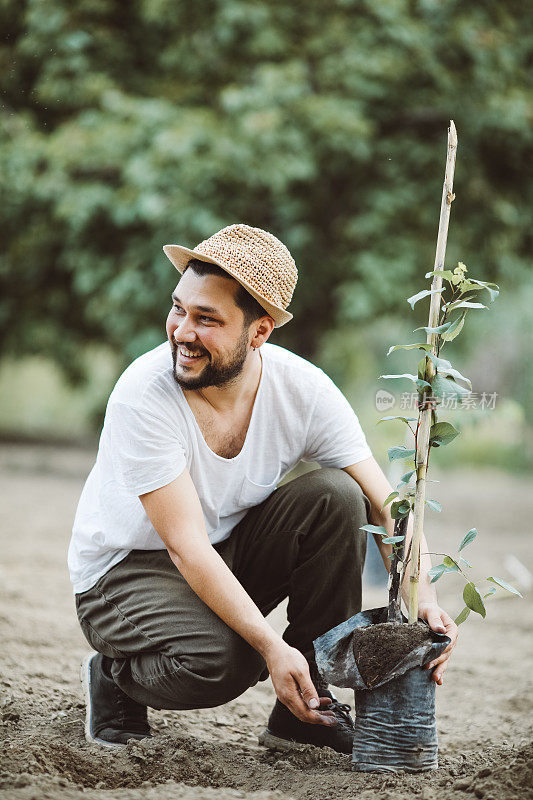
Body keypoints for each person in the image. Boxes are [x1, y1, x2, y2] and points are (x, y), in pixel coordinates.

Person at [68, 223, 458, 753]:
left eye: (207, 319)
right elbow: (185, 547)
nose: (182, 331)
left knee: (337, 497)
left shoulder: (303, 390)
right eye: (178, 308)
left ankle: (304, 713)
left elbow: (387, 504)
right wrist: (271, 647)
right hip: (124, 571)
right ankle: (115, 677)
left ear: (260, 332)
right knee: (228, 662)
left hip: (219, 553)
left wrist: (424, 598)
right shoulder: (144, 396)